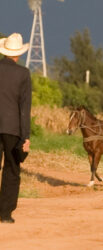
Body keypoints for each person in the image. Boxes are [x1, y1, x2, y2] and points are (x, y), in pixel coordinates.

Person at [0, 33, 32, 224]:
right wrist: (25, 136)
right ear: (18, 54)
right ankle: (4, 214)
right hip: (13, 128)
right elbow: (24, 108)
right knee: (11, 170)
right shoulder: (23, 74)